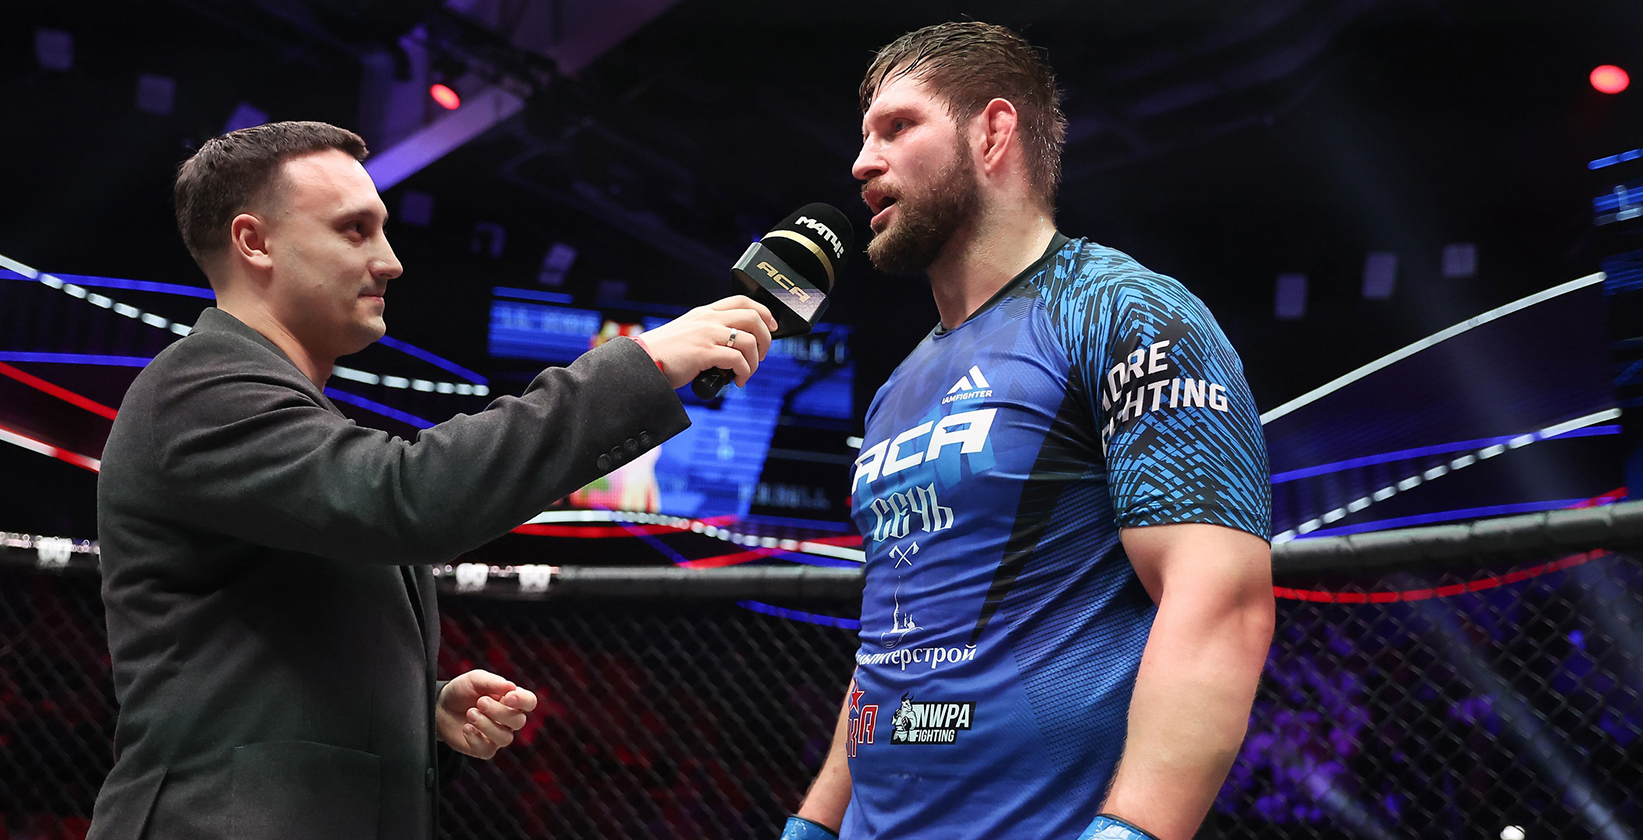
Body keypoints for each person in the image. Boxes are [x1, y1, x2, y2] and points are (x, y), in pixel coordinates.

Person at [88, 120, 776, 840]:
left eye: (382, 230)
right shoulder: (201, 391)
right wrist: (642, 366)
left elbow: (267, 654)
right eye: (354, 230)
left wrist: (421, 711)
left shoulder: (272, 406)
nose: (390, 261)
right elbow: (407, 499)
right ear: (254, 242)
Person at [784, 22, 1274, 840]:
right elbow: (892, 639)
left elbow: (1220, 600)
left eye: (898, 127)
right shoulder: (897, 387)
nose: (863, 163)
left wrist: (1133, 832)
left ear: (993, 132)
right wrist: (817, 822)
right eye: (866, 136)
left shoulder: (1122, 310)